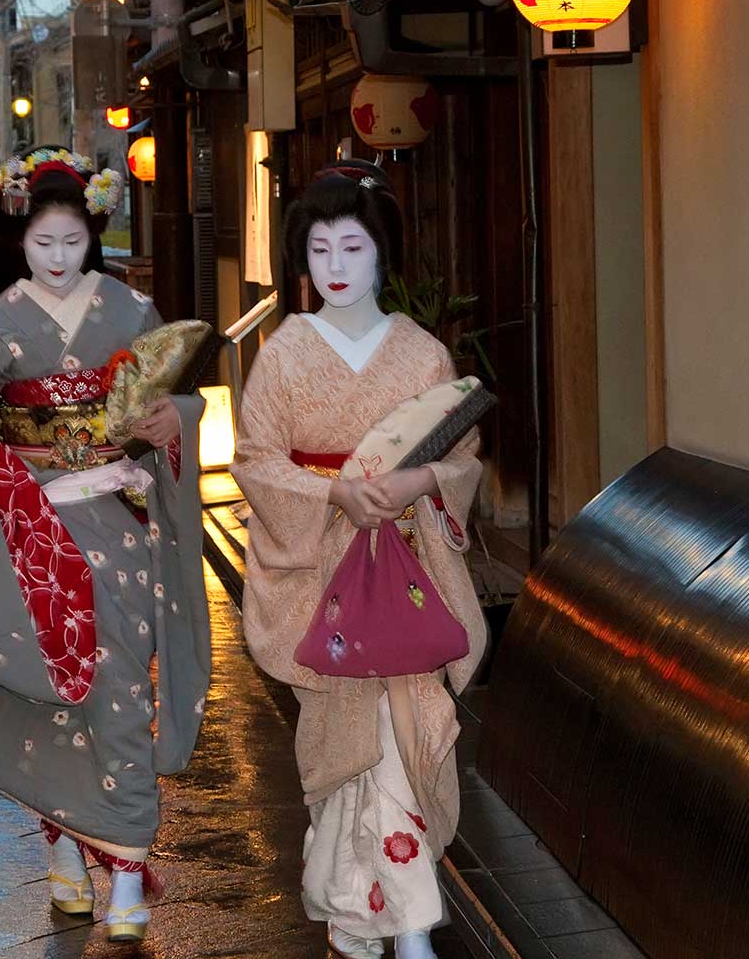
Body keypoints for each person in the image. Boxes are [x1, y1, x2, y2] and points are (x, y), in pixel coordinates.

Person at [0, 147, 211, 945]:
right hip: (33, 535)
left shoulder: (130, 312)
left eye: (73, 243)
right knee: (47, 705)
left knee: (119, 699)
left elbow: (173, 398)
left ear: (92, 235)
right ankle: (67, 863)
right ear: (20, 241)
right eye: (44, 245)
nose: (61, 260)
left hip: (117, 524)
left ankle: (129, 876)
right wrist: (3, 475)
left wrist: (169, 419)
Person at [229, 163, 488, 959]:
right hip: (320, 577)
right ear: (301, 262)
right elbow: (256, 460)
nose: (335, 267)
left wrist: (416, 480)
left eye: (352, 247)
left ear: (383, 254)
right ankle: (363, 914)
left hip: (404, 572)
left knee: (406, 734)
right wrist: (335, 496)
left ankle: (402, 928)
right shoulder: (283, 353)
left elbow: (462, 454)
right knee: (344, 749)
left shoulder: (421, 354)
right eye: (318, 250)